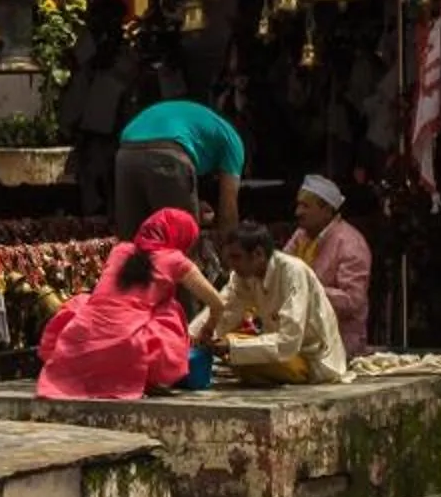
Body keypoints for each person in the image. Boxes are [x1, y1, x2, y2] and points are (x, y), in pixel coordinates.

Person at [37, 209, 226, 401]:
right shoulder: (175, 260)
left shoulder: (119, 250)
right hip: (128, 346)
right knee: (170, 310)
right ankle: (148, 376)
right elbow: (218, 304)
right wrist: (207, 330)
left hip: (78, 340)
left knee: (84, 301)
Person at [194, 220, 348, 387]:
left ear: (258, 254)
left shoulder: (293, 272)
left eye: (236, 257)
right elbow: (225, 308)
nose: (232, 264)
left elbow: (288, 343)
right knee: (225, 346)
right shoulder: (242, 276)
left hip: (310, 357)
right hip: (281, 349)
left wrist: (231, 346)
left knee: (236, 354)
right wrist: (194, 336)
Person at [113, 94, 244, 240]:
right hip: (168, 152)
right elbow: (228, 207)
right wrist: (230, 248)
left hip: (127, 151)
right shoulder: (234, 142)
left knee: (132, 241)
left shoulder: (204, 125)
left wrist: (193, 205)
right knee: (181, 242)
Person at [55, 0, 137, 222]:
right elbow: (76, 87)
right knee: (93, 186)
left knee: (115, 186)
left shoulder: (125, 58)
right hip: (92, 131)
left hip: (117, 131)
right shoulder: (87, 55)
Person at [288, 174, 374, 358]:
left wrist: (308, 289)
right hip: (298, 336)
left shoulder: (350, 243)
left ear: (327, 209)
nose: (298, 212)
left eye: (305, 206)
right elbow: (281, 270)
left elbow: (352, 301)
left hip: (339, 344)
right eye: (298, 205)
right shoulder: (301, 236)